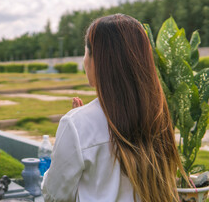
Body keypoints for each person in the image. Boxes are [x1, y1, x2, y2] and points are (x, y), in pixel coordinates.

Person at [41, 14, 186, 202]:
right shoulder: (158, 114)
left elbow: (55, 196)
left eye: (86, 53)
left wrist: (79, 125)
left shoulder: (76, 124)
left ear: (97, 60)